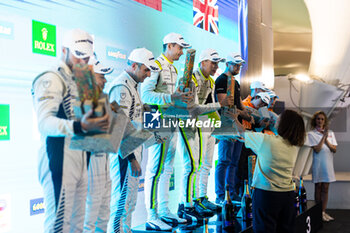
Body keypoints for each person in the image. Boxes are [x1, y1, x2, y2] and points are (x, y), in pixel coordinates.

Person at [31, 28, 110, 232]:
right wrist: (78, 126)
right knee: (59, 225)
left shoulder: (80, 79)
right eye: (78, 55)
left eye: (87, 57)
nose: (82, 62)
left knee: (77, 224)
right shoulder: (51, 77)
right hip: (58, 158)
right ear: (64, 50)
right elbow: (44, 123)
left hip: (81, 158)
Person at [141, 33, 192, 230]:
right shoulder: (156, 65)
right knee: (155, 168)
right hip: (156, 119)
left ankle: (163, 210)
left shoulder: (172, 67)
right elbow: (145, 94)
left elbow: (172, 98)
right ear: (169, 45)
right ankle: (151, 215)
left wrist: (178, 101)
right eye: (179, 47)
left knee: (167, 166)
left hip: (171, 119)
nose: (181, 52)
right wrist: (171, 97)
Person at [107, 48, 160, 233]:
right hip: (124, 155)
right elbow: (118, 127)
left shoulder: (132, 85)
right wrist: (131, 159)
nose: (149, 74)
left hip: (132, 151)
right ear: (134, 65)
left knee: (129, 201)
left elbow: (132, 119)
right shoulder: (121, 86)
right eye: (146, 70)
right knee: (121, 201)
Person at [234, 109, 306, 233]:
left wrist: (234, 118)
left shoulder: (266, 140)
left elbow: (242, 132)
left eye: (280, 117)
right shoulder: (294, 145)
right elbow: (271, 143)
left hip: (266, 195)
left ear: (284, 123)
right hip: (287, 195)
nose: (276, 118)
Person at [190, 48, 231, 212]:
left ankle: (202, 197)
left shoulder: (211, 82)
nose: (215, 66)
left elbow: (211, 110)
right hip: (192, 127)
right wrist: (219, 105)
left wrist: (220, 128)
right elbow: (194, 110)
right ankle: (193, 200)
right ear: (203, 62)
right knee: (196, 165)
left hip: (207, 125)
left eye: (217, 63)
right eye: (213, 63)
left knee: (207, 164)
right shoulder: (192, 78)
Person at [214, 52, 252, 203]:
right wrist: (240, 114)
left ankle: (231, 193)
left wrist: (247, 114)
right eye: (235, 64)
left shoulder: (235, 82)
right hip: (226, 125)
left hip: (236, 124)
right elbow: (225, 106)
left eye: (239, 65)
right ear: (228, 64)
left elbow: (239, 104)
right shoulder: (222, 79)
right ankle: (220, 195)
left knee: (234, 160)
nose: (238, 67)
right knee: (224, 160)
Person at [84, 58, 113, 232]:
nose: (105, 81)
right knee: (89, 215)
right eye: (101, 76)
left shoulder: (104, 100)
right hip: (89, 164)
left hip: (105, 163)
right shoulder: (78, 100)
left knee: (103, 214)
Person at [306, 111, 337, 222]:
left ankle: (323, 212)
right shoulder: (311, 134)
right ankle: (318, 212)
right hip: (318, 164)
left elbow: (334, 149)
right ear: (315, 120)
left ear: (325, 121)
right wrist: (323, 136)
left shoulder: (331, 133)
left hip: (328, 164)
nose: (320, 121)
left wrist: (326, 138)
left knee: (325, 188)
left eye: (322, 119)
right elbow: (317, 149)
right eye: (318, 119)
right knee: (318, 187)